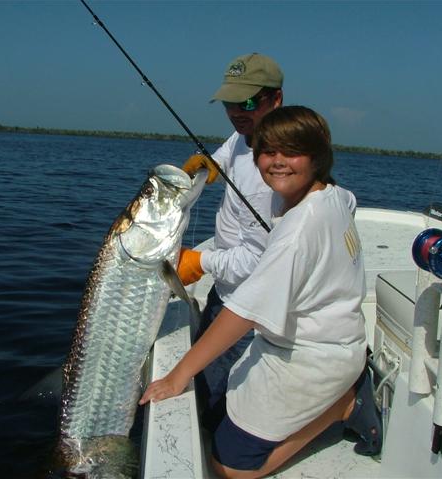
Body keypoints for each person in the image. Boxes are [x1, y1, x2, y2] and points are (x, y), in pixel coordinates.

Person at [141, 106, 378, 478]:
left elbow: (242, 313)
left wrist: (177, 375)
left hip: (312, 358)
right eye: (268, 152)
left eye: (292, 152)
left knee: (229, 466)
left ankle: (344, 405)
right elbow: (346, 203)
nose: (277, 162)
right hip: (340, 341)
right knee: (221, 415)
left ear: (317, 157)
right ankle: (342, 391)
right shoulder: (335, 196)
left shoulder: (297, 232)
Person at [176, 53, 284, 421]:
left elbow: (256, 262)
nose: (237, 111)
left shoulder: (275, 174)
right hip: (224, 293)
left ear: (276, 99)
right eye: (230, 102)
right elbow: (229, 150)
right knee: (203, 383)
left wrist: (199, 261)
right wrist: (212, 164)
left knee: (213, 402)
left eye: (249, 102)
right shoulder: (247, 133)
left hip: (248, 309)